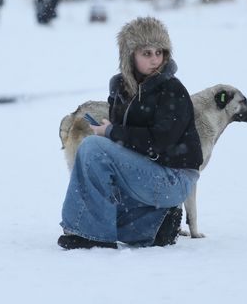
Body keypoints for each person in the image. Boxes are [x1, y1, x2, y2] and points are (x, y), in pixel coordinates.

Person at [58, 17, 203, 249]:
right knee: (100, 202)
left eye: (159, 52)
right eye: (146, 53)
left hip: (174, 178)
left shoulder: (172, 90)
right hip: (147, 172)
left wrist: (113, 132)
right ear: (129, 55)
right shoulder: (120, 89)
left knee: (93, 148)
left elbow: (160, 142)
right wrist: (110, 134)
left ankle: (91, 235)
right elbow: (128, 143)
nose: (155, 59)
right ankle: (156, 224)